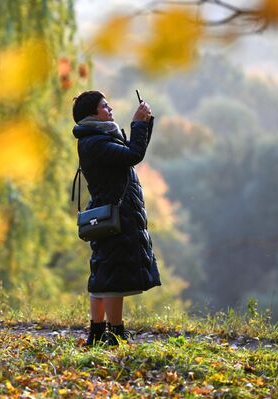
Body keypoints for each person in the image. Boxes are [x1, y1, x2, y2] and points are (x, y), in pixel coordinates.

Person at [71, 90, 161, 346]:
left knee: (103, 272)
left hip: (114, 212)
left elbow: (131, 154)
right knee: (111, 275)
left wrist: (144, 123)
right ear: (92, 113)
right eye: (105, 106)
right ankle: (114, 333)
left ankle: (98, 331)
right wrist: (137, 124)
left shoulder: (100, 137)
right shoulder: (95, 142)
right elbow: (134, 155)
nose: (110, 110)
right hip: (114, 215)